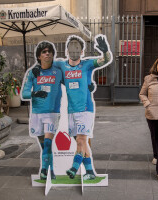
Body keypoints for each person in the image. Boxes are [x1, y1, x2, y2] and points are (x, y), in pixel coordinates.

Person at [56, 35, 112, 180]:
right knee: (82, 142)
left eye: (77, 48)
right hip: (71, 111)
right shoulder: (62, 65)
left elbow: (105, 60)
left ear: (82, 51)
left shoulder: (87, 64)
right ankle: (90, 172)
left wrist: (105, 51)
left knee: (81, 141)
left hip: (85, 109)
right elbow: (47, 66)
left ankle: (74, 168)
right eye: (71, 47)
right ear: (67, 50)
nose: (74, 50)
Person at [21, 41, 63, 180]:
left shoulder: (58, 71)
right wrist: (35, 94)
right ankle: (50, 170)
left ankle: (44, 169)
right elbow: (24, 94)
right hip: (37, 113)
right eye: (44, 52)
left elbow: (72, 83)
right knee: (44, 146)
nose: (48, 54)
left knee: (48, 142)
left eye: (50, 51)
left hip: (52, 113)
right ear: (39, 56)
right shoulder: (33, 72)